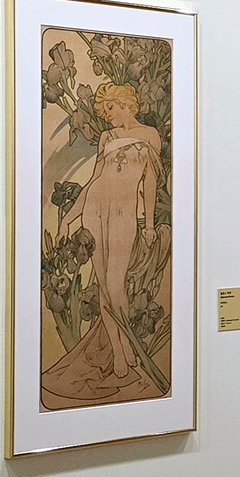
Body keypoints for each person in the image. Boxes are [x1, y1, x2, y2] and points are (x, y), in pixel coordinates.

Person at [43, 83, 167, 406]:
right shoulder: (106, 138)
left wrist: (149, 224)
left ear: (124, 103)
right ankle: (120, 352)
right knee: (103, 285)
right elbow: (93, 182)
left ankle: (126, 346)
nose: (106, 115)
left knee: (115, 284)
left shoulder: (150, 135)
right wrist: (70, 216)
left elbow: (150, 182)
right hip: (95, 209)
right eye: (103, 111)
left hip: (125, 212)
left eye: (109, 108)